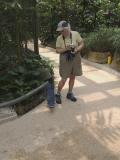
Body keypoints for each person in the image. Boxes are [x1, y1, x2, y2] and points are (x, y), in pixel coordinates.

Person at [55, 20, 84, 104]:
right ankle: (58, 94)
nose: (62, 32)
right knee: (64, 78)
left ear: (68, 29)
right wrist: (66, 49)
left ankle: (70, 93)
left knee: (72, 76)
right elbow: (57, 50)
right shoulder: (59, 38)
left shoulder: (75, 34)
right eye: (61, 31)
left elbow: (82, 43)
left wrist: (77, 49)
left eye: (63, 30)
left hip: (75, 56)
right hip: (65, 58)